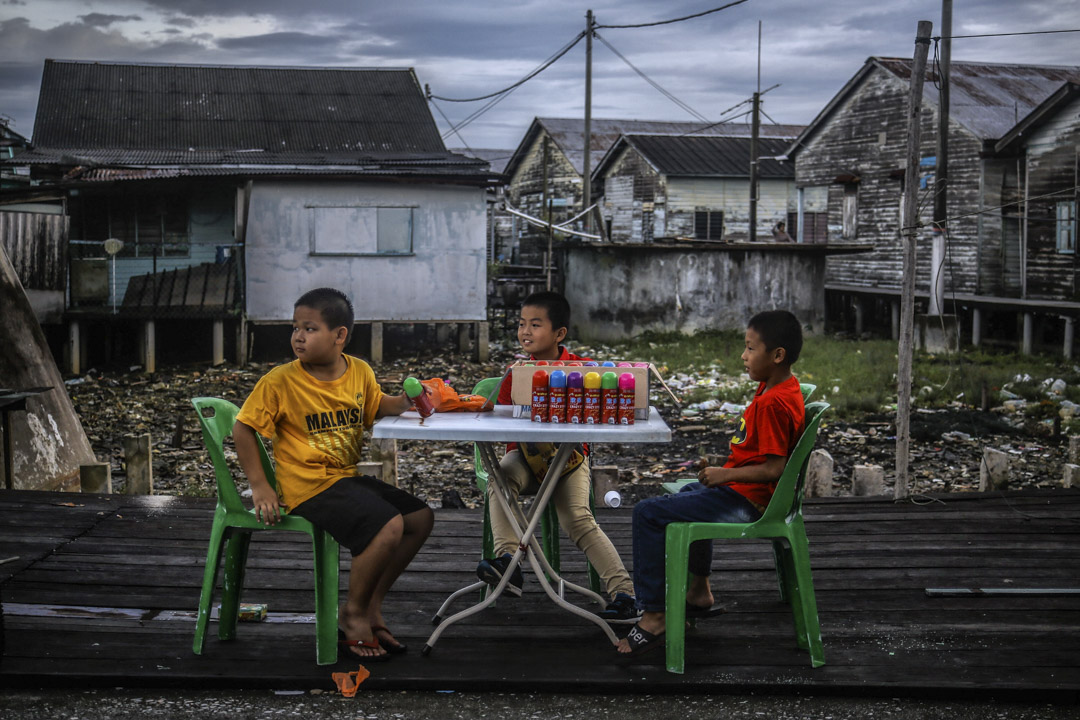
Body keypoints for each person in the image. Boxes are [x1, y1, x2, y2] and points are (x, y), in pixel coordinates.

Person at [234, 287, 434, 661]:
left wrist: (406, 401)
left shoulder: (358, 371)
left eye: (309, 328)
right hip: (306, 485)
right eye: (295, 328)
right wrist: (260, 487)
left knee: (419, 518)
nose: (298, 336)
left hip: (343, 477)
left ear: (339, 335)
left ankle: (372, 605)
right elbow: (243, 428)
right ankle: (352, 613)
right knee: (387, 524)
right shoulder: (281, 381)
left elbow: (376, 407)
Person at [617, 310, 806, 657]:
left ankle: (655, 614)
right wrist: (721, 470)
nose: (743, 356)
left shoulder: (773, 403)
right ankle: (699, 592)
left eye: (750, 349)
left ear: (777, 356)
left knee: (647, 512)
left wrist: (726, 474)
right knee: (690, 492)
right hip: (743, 491)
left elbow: (774, 468)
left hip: (748, 502)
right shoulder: (779, 387)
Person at [477, 290, 640, 622]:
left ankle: (625, 594)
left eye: (535, 325)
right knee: (501, 479)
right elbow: (501, 418)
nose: (525, 331)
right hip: (522, 456)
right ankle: (508, 563)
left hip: (568, 460)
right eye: (522, 324)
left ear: (559, 333)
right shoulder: (515, 372)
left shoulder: (581, 372)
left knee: (578, 520)